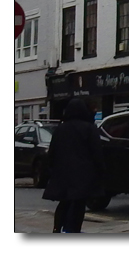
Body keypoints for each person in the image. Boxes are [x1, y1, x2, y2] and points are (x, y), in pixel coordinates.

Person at [42, 97, 106, 234]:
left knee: (64, 202)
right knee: (78, 203)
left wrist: (52, 170)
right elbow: (97, 152)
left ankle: (57, 228)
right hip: (83, 174)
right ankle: (73, 230)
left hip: (63, 173)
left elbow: (52, 153)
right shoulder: (89, 128)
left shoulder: (60, 129)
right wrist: (100, 171)